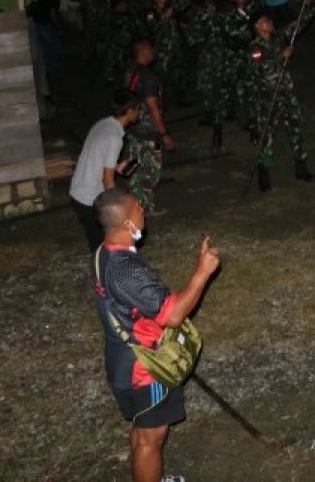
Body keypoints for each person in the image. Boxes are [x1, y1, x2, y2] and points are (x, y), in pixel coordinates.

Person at [92, 189, 220, 482]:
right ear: (126, 224)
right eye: (138, 207)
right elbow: (172, 315)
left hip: (122, 358)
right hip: (145, 367)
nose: (143, 210)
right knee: (152, 439)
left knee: (142, 432)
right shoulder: (126, 271)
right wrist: (202, 273)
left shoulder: (103, 254)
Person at [244, 0, 315, 192]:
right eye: (265, 20)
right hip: (269, 98)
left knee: (296, 130)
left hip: (286, 93)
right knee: (267, 136)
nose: (269, 21)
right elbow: (265, 73)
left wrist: (307, 6)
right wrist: (281, 57)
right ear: (257, 27)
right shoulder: (255, 48)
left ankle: (301, 167)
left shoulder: (278, 38)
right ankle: (264, 174)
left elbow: (298, 25)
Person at [70, 91, 141, 252]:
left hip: (77, 192)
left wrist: (116, 167)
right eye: (138, 109)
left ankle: (101, 273)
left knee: (99, 245)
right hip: (89, 198)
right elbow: (108, 181)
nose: (139, 112)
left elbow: (97, 158)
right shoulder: (114, 138)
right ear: (130, 111)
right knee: (104, 246)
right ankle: (102, 275)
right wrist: (120, 210)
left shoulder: (103, 124)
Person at [125, 39, 175, 216]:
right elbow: (153, 107)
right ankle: (139, 210)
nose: (153, 52)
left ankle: (145, 206)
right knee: (148, 173)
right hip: (147, 129)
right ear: (143, 52)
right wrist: (164, 133)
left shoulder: (131, 72)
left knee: (138, 169)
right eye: (150, 49)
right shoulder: (147, 76)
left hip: (134, 127)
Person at [208, 0, 253, 153]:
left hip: (245, 62)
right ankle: (217, 134)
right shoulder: (229, 17)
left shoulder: (250, 13)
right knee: (222, 98)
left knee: (246, 94)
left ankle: (249, 124)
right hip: (228, 63)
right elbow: (233, 39)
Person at [29, 0, 64, 77]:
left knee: (46, 47)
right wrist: (58, 28)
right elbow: (52, 14)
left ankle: (47, 70)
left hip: (37, 23)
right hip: (43, 24)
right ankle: (52, 69)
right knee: (55, 45)